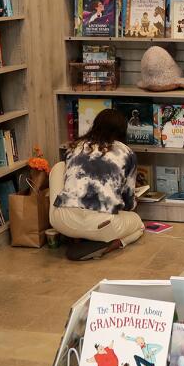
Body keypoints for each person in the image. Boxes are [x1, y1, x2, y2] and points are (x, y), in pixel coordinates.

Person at [50, 108, 144, 260]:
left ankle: (77, 238)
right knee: (138, 224)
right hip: (102, 224)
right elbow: (128, 204)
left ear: (95, 125)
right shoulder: (126, 153)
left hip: (62, 222)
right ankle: (108, 245)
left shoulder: (74, 147)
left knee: (58, 168)